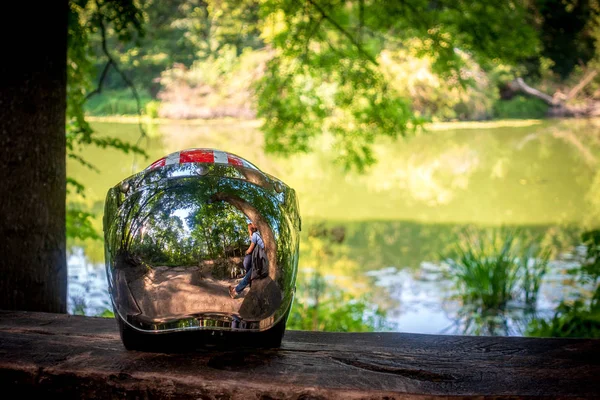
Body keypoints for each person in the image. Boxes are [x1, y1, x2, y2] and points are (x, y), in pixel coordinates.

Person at [229, 223, 264, 299]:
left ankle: (236, 291)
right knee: (248, 274)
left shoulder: (255, 235)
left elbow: (250, 249)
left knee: (249, 275)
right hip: (260, 259)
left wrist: (246, 252)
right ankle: (237, 288)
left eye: (248, 229)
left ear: (251, 229)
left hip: (260, 260)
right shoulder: (259, 234)